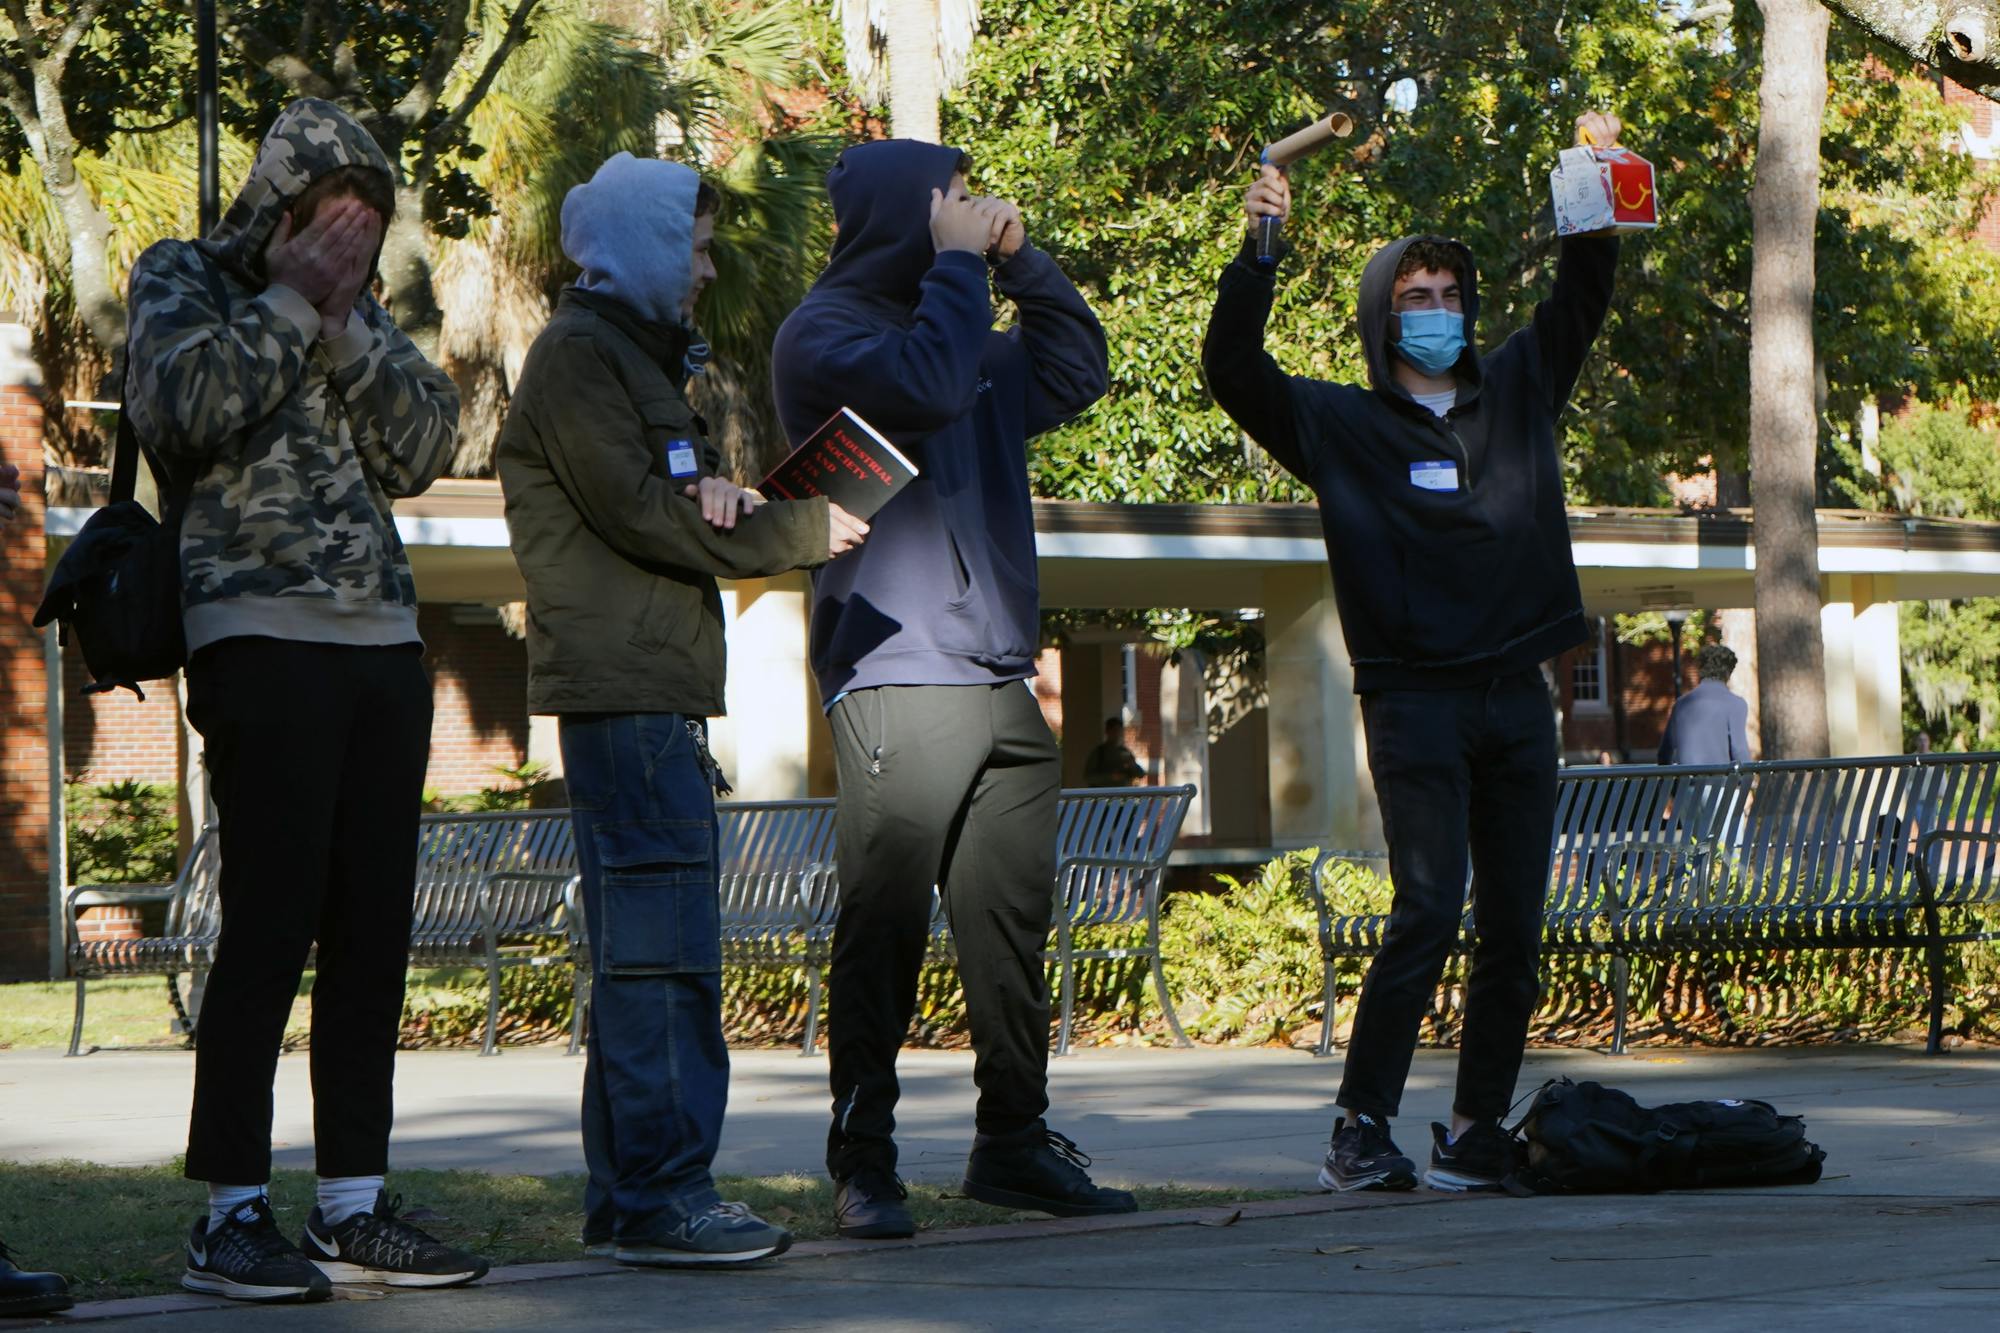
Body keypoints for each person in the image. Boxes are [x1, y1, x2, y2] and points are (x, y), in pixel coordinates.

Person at [1203, 110, 1627, 1195]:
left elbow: (1582, 293)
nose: (1434, 314)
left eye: (1446, 298)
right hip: (1413, 706)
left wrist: (1593, 168)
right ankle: (1360, 1125)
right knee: (1427, 908)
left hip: (1514, 698)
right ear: (1379, 320)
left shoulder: (1520, 387)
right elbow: (1231, 368)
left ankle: (1477, 1124)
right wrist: (1258, 249)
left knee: (1516, 929)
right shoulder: (1336, 423)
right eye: (1413, 299)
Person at [125, 97, 486, 1302]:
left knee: (373, 930)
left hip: (382, 639)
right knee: (271, 923)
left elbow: (427, 442)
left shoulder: (361, 315)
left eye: (367, 229)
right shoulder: (183, 278)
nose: (352, 248)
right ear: (280, 212)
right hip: (256, 632)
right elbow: (177, 410)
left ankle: (351, 1203)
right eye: (334, 223)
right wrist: (288, 305)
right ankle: (229, 1211)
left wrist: (345, 329)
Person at [500, 154, 866, 1267]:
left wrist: (717, 491)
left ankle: (632, 1200)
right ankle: (669, 1198)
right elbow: (639, 516)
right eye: (695, 248)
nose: (707, 269)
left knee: (643, 958)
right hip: (629, 696)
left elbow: (666, 502)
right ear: (650, 246)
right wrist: (802, 531)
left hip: (651, 692)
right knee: (662, 961)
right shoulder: (579, 358)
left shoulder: (634, 360)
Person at [770, 141, 1132, 1240]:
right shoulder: (822, 336)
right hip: (893, 669)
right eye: (954, 198)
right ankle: (862, 1160)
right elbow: (925, 383)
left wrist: (1022, 262)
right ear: (902, 213)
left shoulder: (962, 323)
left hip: (997, 673)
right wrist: (960, 272)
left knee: (1011, 928)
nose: (970, 211)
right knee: (883, 924)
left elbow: (1076, 369)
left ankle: (1012, 1142)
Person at [1656, 643, 1752, 766]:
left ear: (1701, 670)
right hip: (1720, 783)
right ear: (1729, 672)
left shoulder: (1680, 704)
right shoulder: (1735, 704)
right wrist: (1746, 780)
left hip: (1685, 783)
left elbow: (1664, 753)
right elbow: (1739, 750)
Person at [1082, 715, 1146, 787]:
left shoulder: (1125, 752)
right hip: (1104, 794)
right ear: (1107, 731)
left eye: (1119, 731)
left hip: (1123, 794)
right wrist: (1111, 777)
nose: (1116, 734)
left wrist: (1132, 765)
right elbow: (1089, 777)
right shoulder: (1099, 752)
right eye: (1114, 730)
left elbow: (1141, 774)